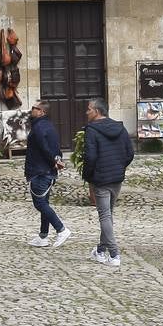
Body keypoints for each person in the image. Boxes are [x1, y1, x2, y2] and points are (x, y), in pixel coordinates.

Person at [81, 98, 134, 266]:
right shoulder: (120, 127)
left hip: (101, 178)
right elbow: (129, 153)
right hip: (116, 178)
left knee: (104, 215)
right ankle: (100, 250)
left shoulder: (92, 130)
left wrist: (88, 176)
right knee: (108, 215)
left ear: (97, 111)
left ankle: (114, 253)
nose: (86, 112)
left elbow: (90, 156)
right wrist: (119, 167)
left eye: (89, 109)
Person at [25, 100, 71, 248]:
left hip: (40, 172)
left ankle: (61, 229)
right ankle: (43, 236)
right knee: (44, 203)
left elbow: (45, 148)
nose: (32, 110)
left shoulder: (38, 128)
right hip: (48, 171)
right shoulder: (50, 126)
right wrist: (57, 160)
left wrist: (53, 161)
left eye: (34, 108)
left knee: (39, 203)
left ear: (42, 112)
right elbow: (56, 148)